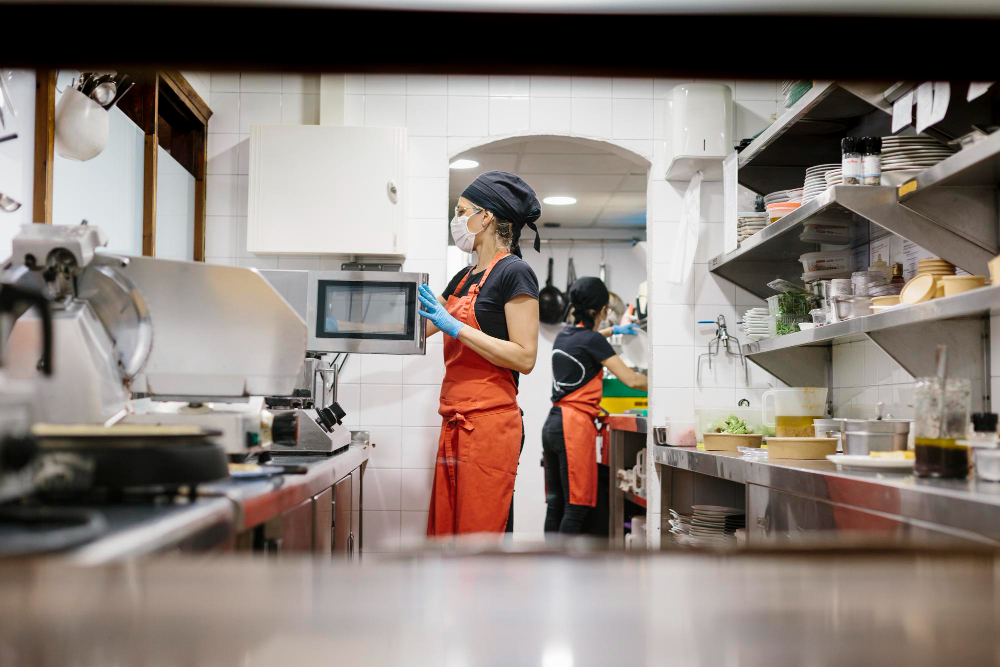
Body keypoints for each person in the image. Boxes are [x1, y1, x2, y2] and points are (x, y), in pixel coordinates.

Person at [417, 170, 542, 536]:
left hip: (489, 424)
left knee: (480, 538)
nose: (457, 220)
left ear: (485, 216)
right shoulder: (463, 277)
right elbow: (417, 329)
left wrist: (456, 327)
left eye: (462, 210)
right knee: (449, 536)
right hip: (456, 420)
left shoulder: (515, 272)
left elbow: (525, 357)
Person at [543, 276, 648, 536]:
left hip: (553, 424)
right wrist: (666, 384)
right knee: (576, 508)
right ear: (600, 310)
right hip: (573, 428)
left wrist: (614, 331)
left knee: (555, 506)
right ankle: (567, 573)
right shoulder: (591, 341)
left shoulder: (564, 335)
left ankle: (550, 570)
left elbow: (589, 340)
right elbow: (632, 380)